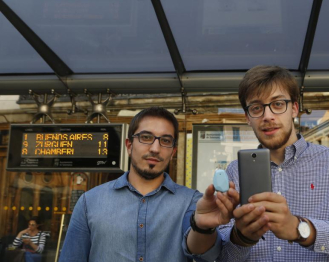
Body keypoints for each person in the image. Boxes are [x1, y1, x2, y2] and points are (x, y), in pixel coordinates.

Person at [216, 65, 329, 261]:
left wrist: (301, 229)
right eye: (256, 108)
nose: (267, 116)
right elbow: (223, 257)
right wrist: (241, 237)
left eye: (277, 104)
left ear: (294, 108)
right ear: (248, 118)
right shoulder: (235, 171)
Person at [59, 107, 238, 262]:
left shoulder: (191, 201)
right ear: (129, 146)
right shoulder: (89, 202)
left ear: (173, 152)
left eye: (165, 141)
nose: (155, 148)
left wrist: (202, 227)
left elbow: (205, 253)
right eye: (146, 137)